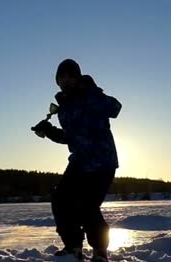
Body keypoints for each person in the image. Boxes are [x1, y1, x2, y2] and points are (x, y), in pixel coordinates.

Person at [32, 59, 122, 262]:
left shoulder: (91, 95)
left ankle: (100, 251)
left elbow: (115, 108)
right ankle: (73, 247)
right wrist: (48, 131)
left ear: (78, 77)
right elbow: (70, 137)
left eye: (69, 76)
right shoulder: (64, 106)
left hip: (101, 161)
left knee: (86, 205)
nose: (65, 81)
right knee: (61, 200)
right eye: (61, 77)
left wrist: (89, 90)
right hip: (79, 162)